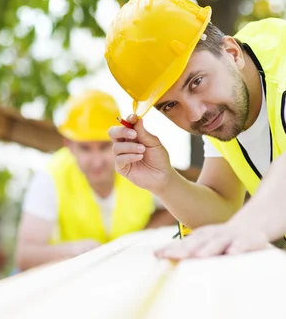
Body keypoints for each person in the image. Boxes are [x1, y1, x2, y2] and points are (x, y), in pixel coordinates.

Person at [104, 0, 286, 290]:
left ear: (230, 52)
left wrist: (247, 228)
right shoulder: (230, 100)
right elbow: (221, 210)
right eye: (169, 106)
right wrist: (164, 181)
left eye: (195, 82)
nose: (195, 113)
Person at [14, 89, 176, 271]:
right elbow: (25, 255)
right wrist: (73, 250)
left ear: (119, 139)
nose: (96, 160)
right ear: (69, 145)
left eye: (104, 146)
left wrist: (143, 235)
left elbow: (173, 206)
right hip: (68, 277)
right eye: (85, 148)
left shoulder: (139, 165)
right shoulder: (50, 177)